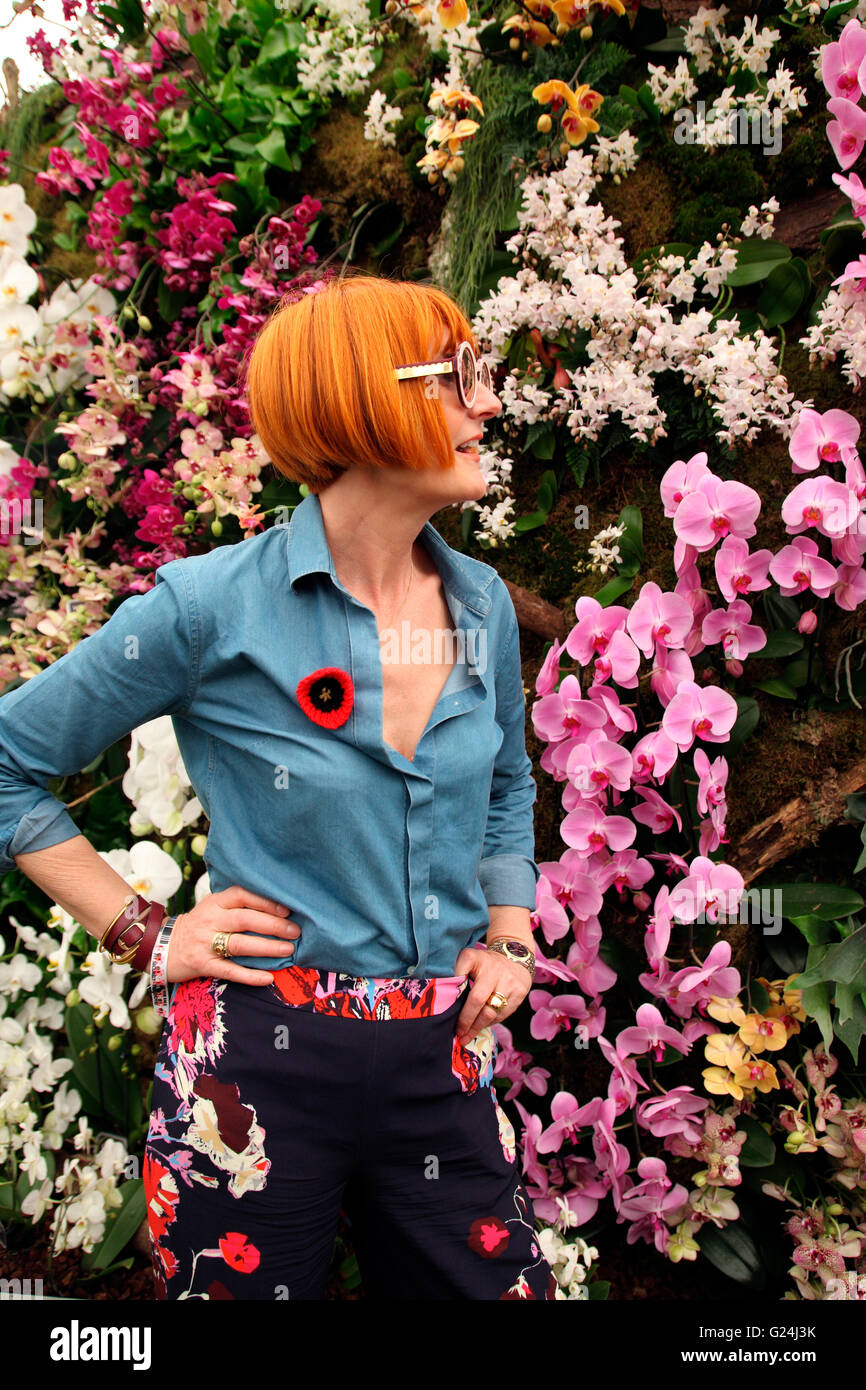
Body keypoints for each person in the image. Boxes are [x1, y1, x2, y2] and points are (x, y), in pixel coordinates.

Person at [0, 269, 558, 1300]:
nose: (487, 402)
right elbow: (9, 762)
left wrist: (511, 936)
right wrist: (146, 932)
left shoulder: (477, 602)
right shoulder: (207, 608)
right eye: (460, 375)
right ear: (362, 398)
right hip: (253, 1074)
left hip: (442, 1060)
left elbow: (504, 791)